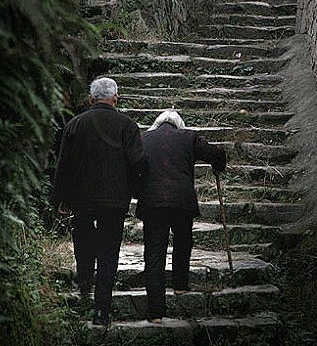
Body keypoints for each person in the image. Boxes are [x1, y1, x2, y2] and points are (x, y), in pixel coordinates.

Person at [53, 77, 146, 326]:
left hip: (81, 198)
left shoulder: (75, 124)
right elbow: (138, 162)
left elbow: (63, 165)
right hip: (114, 200)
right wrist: (135, 190)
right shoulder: (127, 125)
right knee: (108, 251)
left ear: (91, 99)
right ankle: (101, 311)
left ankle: (84, 284)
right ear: (115, 98)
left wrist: (61, 197)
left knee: (82, 239)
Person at [136, 109, 226, 324]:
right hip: (181, 202)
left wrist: (138, 188)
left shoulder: (143, 139)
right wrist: (218, 166)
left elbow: (133, 165)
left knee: (154, 253)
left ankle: (156, 312)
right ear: (179, 124)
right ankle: (179, 284)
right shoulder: (189, 137)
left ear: (157, 124)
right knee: (183, 241)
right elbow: (216, 153)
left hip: (153, 202)